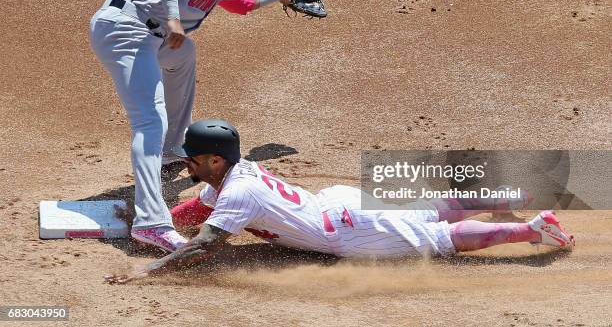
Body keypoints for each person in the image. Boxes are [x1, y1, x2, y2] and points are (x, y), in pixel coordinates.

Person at [105, 119, 575, 284]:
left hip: (352, 231)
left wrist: (148, 272)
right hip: (340, 202)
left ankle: (534, 229)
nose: (186, 165)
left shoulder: (240, 192)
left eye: (191, 159)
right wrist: (158, 220)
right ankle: (511, 193)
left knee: (440, 239)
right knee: (427, 210)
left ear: (212, 159)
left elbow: (203, 245)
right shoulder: (235, 173)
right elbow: (198, 211)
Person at [89, 0, 294, 252]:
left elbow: (243, 1)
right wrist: (172, 16)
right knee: (148, 122)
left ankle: (171, 150)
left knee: (184, 53)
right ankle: (151, 223)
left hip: (151, 38)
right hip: (126, 28)